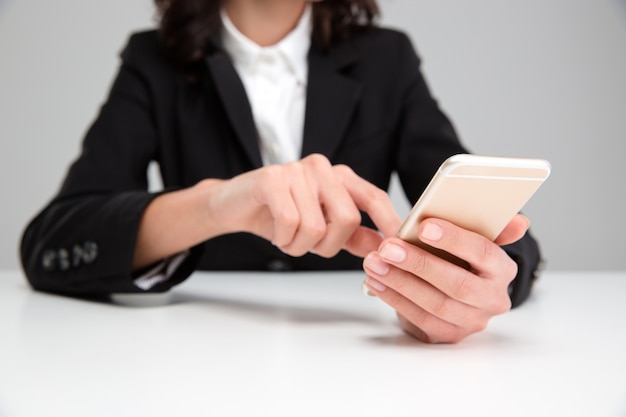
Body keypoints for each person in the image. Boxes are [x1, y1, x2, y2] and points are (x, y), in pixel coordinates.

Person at [20, 0, 541, 344]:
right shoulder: (153, 59)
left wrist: (473, 283)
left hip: (356, 357)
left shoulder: (387, 57)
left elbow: (492, 221)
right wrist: (215, 204)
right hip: (200, 350)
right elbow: (54, 241)